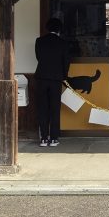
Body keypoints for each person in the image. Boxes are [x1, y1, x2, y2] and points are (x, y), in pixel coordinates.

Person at [34, 18, 70, 147]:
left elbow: (38, 57)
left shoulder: (39, 41)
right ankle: (54, 138)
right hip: (56, 79)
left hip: (41, 77)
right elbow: (66, 61)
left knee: (42, 108)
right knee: (55, 108)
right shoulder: (63, 43)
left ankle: (44, 138)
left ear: (47, 28)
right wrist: (64, 76)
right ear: (59, 29)